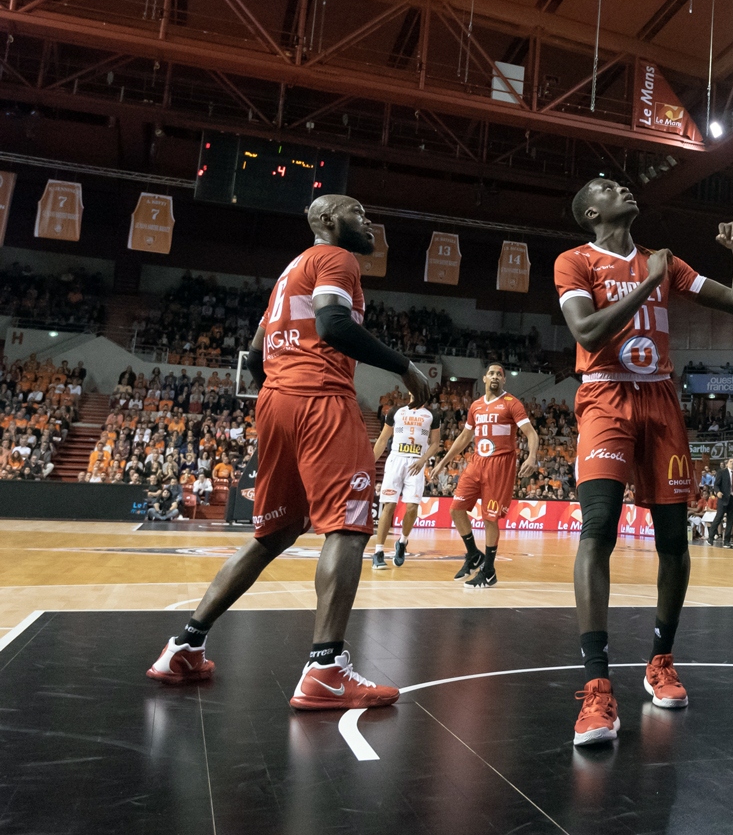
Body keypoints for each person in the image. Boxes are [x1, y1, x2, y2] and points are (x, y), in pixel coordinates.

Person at [146, 195, 435, 708]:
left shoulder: (289, 271)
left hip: (275, 400)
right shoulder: (336, 258)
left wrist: (281, 389)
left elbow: (257, 352)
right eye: (356, 212)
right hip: (319, 398)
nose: (368, 219)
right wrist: (405, 368)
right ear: (326, 221)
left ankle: (184, 646)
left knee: (273, 533)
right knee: (348, 527)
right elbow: (334, 326)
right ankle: (327, 667)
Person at [556, 177, 733, 746]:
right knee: (598, 530)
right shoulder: (575, 260)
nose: (623, 188)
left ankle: (660, 661)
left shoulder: (662, 261)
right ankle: (597, 689)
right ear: (592, 210)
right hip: (605, 396)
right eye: (608, 187)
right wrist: (647, 284)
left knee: (674, 541)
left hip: (661, 400)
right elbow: (587, 331)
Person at [432, 365, 540, 588]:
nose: (495, 377)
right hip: (477, 462)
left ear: (504, 381)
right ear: (484, 378)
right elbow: (464, 437)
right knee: (456, 509)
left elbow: (531, 433)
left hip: (500, 465)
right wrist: (444, 460)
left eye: (499, 374)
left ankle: (489, 570)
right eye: (491, 373)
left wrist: (531, 457)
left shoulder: (512, 403)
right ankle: (473, 554)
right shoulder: (476, 405)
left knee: (489, 518)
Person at [369, 390, 440, 570]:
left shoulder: (432, 415)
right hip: (396, 460)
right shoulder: (396, 411)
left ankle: (402, 541)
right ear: (410, 390)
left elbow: (435, 443)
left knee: (411, 507)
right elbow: (384, 438)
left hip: (417, 462)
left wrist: (423, 460)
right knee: (389, 506)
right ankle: (378, 552)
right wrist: (369, 463)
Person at [711, 458, 733, 547]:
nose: (732, 463)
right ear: (727, 464)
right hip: (723, 498)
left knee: (730, 521)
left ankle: (727, 541)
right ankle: (710, 537)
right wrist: (717, 491)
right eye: (731, 461)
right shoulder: (722, 472)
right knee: (718, 517)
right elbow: (716, 485)